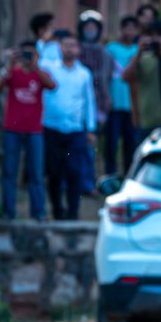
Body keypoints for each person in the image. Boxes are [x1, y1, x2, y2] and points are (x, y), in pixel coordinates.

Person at [0, 41, 56, 220]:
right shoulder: (12, 72)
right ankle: (8, 213)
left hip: (34, 130)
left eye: (31, 53)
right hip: (12, 130)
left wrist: (36, 66)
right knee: (9, 171)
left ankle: (38, 213)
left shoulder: (40, 74)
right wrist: (9, 64)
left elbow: (52, 86)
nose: (27, 57)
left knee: (36, 173)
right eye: (24, 53)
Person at [42, 31, 96, 221]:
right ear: (60, 47)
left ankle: (73, 212)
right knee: (54, 172)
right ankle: (57, 210)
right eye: (66, 45)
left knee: (74, 171)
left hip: (75, 129)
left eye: (73, 46)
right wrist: (45, 40)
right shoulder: (49, 68)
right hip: (51, 127)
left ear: (78, 49)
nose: (69, 49)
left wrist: (90, 128)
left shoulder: (84, 74)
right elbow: (37, 56)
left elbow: (89, 101)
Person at [105, 15, 139, 174]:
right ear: (122, 29)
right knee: (111, 143)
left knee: (130, 143)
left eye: (133, 28)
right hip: (115, 103)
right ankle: (110, 174)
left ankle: (128, 174)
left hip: (132, 106)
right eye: (127, 28)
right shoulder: (111, 48)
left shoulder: (138, 50)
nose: (130, 31)